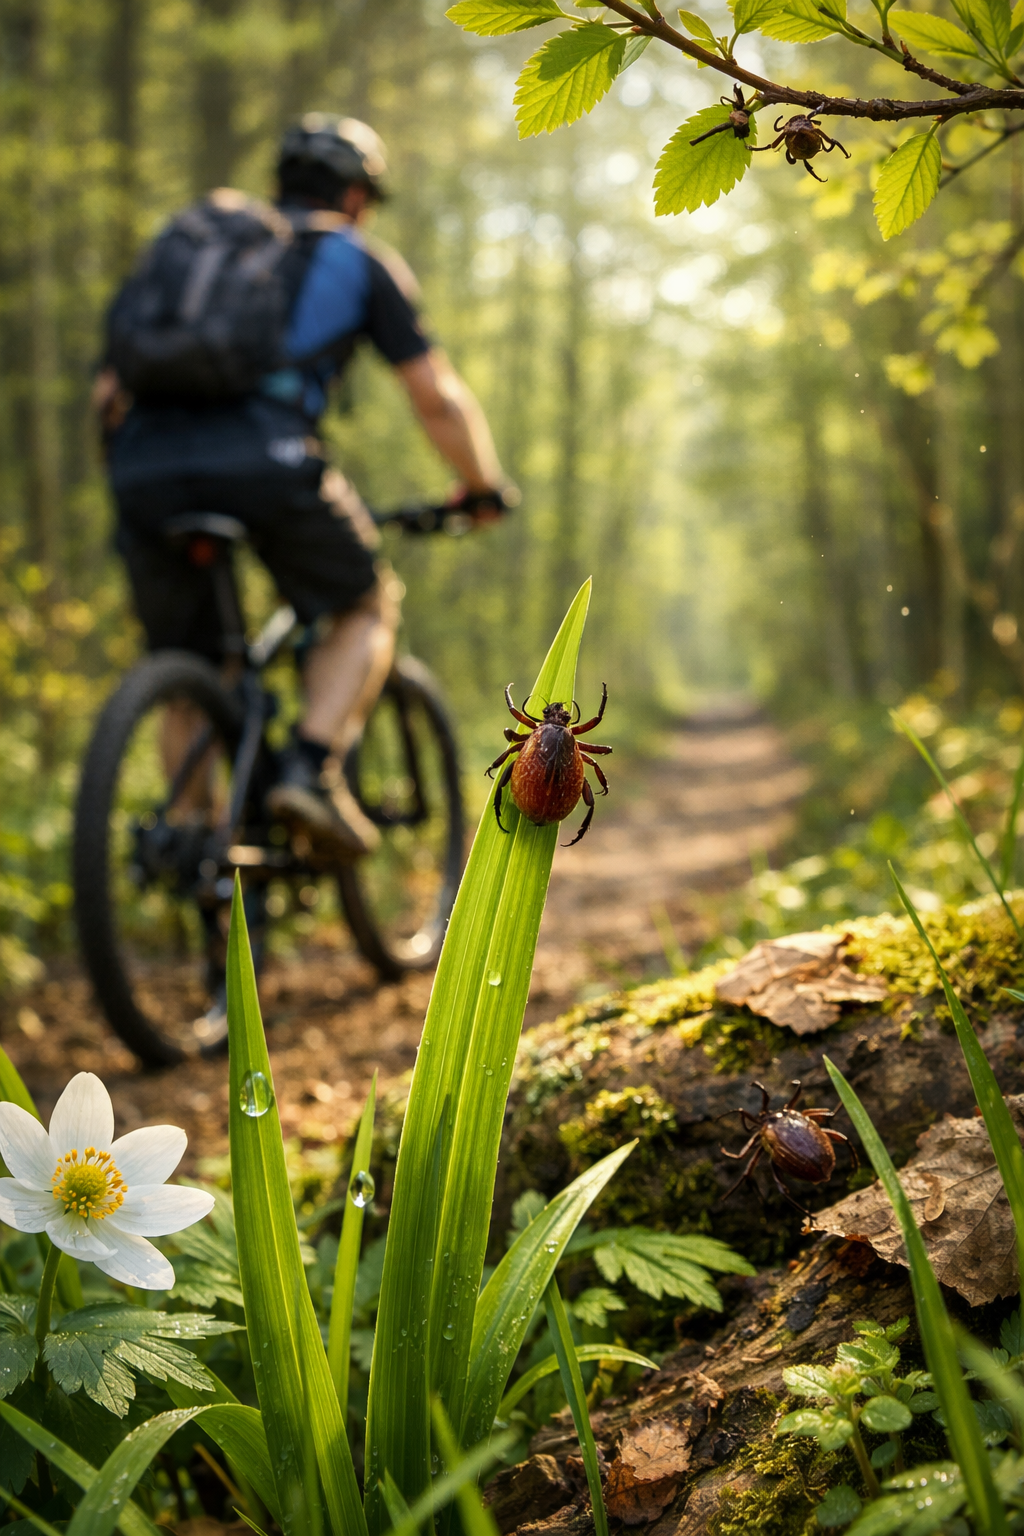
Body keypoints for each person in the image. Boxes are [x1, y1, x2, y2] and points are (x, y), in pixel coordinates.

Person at [96, 113, 509, 860]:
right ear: (357, 196)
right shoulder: (354, 257)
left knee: (192, 670)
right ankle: (310, 770)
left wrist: (137, 489)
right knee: (363, 602)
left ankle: (194, 847)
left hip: (143, 465)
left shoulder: (200, 256)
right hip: (268, 459)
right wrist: (480, 485)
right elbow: (437, 398)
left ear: (279, 184)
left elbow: (106, 395)